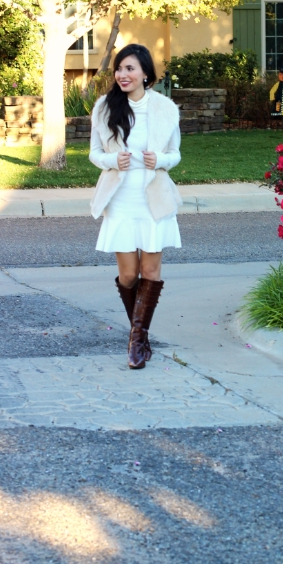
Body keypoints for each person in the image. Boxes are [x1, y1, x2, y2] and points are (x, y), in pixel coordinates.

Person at [89, 43, 182, 369]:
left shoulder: (166, 108)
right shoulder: (104, 107)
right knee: (128, 275)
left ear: (145, 73)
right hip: (121, 200)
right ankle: (140, 337)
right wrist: (113, 159)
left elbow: (175, 154)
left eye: (130, 68)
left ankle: (136, 341)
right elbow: (94, 154)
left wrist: (161, 161)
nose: (122, 74)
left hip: (153, 198)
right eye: (119, 68)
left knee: (150, 271)